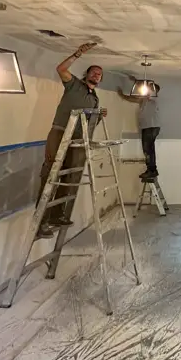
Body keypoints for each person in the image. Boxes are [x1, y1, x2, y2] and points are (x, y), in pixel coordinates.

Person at [36, 42, 107, 239]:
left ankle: (57, 215)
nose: (96, 75)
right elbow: (61, 69)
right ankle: (41, 221)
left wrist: (100, 116)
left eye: (99, 74)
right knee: (51, 175)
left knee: (69, 178)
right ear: (86, 74)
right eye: (93, 72)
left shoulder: (94, 99)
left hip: (78, 140)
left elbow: (90, 122)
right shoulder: (74, 84)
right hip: (60, 133)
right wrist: (78, 53)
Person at [118, 77, 161, 179]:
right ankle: (152, 170)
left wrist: (136, 82)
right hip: (149, 127)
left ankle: (151, 170)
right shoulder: (145, 99)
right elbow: (133, 99)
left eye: (151, 88)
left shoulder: (153, 98)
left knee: (147, 150)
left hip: (150, 127)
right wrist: (122, 95)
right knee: (149, 150)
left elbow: (143, 93)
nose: (148, 90)